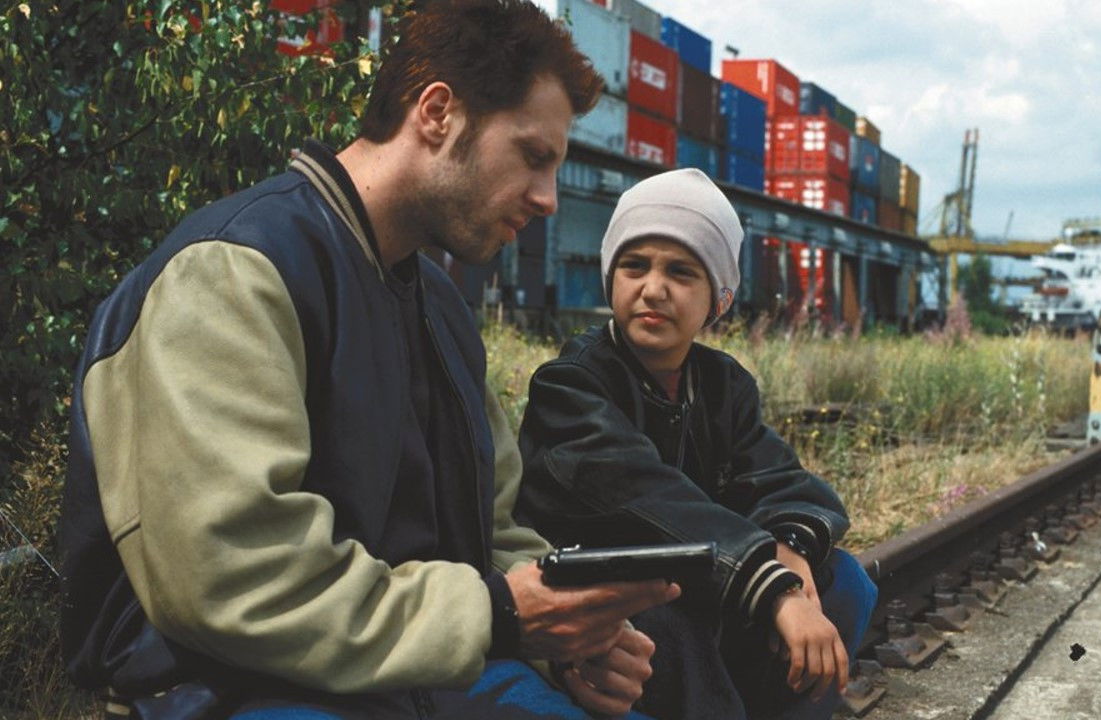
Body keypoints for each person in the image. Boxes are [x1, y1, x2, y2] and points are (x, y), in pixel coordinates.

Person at [57, 2, 678, 717]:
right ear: (437, 113)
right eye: (534, 157)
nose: (547, 200)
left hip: (417, 676)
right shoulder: (234, 271)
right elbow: (232, 573)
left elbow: (492, 534)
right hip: (229, 689)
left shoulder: (441, 311)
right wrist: (499, 616)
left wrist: (568, 633)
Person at [516, 169, 879, 719]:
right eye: (634, 266)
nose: (652, 288)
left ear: (719, 298)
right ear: (611, 278)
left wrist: (789, 545)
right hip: (612, 596)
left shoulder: (722, 383)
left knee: (845, 582)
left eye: (681, 272)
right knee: (671, 623)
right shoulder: (571, 384)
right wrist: (768, 580)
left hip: (702, 577)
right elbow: (646, 497)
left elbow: (778, 477)